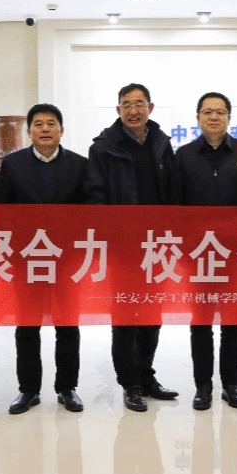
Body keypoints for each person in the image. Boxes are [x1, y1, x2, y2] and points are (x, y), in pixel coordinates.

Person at [84, 82, 179, 412]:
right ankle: (130, 384)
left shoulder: (162, 144)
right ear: (118, 110)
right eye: (127, 105)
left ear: (150, 108)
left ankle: (147, 376)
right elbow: (95, 197)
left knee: (152, 315)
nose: (133, 111)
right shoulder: (103, 148)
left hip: (158, 246)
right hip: (123, 249)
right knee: (125, 318)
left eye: (139, 104)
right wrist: (112, 236)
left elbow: (173, 193)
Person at [175, 92, 237, 410]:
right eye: (207, 112)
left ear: (229, 117)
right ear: (197, 118)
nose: (214, 117)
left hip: (235, 256)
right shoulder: (184, 155)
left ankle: (231, 385)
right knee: (200, 323)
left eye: (220, 112)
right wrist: (182, 251)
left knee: (233, 323)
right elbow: (175, 208)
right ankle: (202, 387)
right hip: (198, 255)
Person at [0, 103, 87, 415]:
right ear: (29, 131)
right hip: (27, 259)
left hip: (67, 261)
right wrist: (10, 255)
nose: (45, 129)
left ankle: (67, 387)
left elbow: (89, 214)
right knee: (27, 325)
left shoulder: (80, 165)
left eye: (51, 123)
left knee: (68, 325)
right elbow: (3, 213)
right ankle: (28, 390)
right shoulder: (13, 164)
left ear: (61, 130)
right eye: (38, 124)